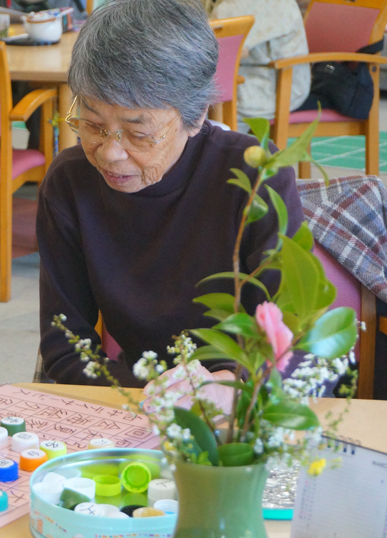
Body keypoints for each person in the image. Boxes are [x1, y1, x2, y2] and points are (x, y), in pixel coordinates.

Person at [37, 0, 304, 394]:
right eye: (92, 124)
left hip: (243, 405)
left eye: (138, 134)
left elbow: (295, 338)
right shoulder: (70, 183)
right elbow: (65, 347)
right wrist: (146, 398)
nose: (110, 153)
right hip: (134, 399)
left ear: (196, 117)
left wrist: (235, 386)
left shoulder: (254, 178)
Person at [209, 0, 311, 122]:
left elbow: (224, 47)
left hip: (274, 85)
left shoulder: (257, 4)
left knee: (195, 105)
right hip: (243, 73)